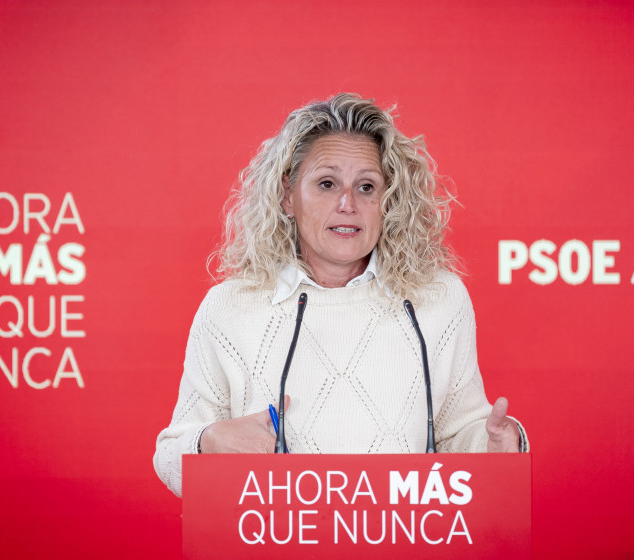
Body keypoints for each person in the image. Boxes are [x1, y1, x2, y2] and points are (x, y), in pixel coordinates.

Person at [154, 93, 528, 496]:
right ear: (287, 195)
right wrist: (208, 441)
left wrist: (494, 446)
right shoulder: (230, 307)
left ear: (390, 202)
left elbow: (457, 434)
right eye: (327, 183)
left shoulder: (437, 299)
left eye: (367, 186)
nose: (348, 203)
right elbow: (171, 455)